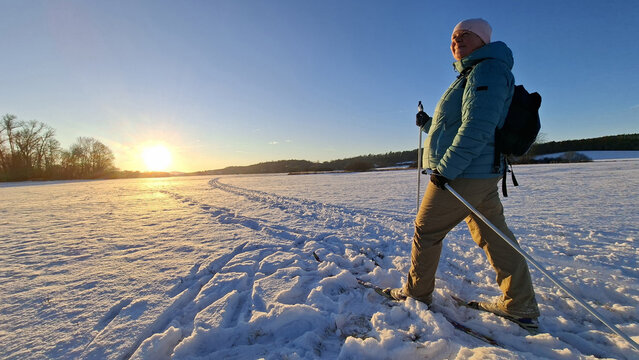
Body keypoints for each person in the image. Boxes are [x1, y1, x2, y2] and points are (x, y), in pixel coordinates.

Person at [384, 18, 540, 330]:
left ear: (483, 39)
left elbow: (477, 128)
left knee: (426, 231)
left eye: (465, 35)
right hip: (480, 171)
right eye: (454, 38)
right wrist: (428, 123)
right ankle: (519, 304)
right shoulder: (474, 72)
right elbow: (455, 127)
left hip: (465, 172)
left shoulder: (487, 70)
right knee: (494, 235)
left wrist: (446, 170)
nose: (457, 41)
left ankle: (416, 295)